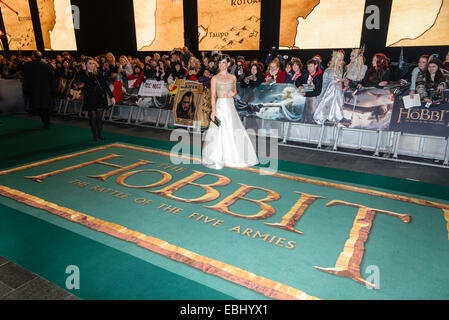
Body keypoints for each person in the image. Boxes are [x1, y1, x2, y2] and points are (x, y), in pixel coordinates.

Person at [202, 55, 259, 170]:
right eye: (220, 63)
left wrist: (232, 94)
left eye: (223, 63)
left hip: (230, 106)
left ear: (228, 64)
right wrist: (213, 111)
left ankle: (234, 156)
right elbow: (212, 96)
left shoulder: (233, 77)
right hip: (220, 107)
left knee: (234, 129)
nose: (221, 65)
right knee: (218, 130)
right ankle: (217, 156)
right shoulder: (215, 78)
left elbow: (235, 91)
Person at [78, 57, 116, 141]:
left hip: (100, 98)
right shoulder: (84, 73)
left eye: (93, 63)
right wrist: (84, 70)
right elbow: (85, 80)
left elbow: (105, 85)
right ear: (86, 65)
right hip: (91, 98)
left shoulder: (98, 73)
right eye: (90, 63)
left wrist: (112, 96)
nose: (92, 65)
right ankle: (94, 135)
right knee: (93, 118)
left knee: (99, 118)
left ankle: (99, 134)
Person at [23, 51, 56, 130]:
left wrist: (26, 89)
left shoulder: (28, 65)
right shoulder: (47, 65)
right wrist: (53, 89)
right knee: (46, 106)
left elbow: (26, 78)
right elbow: (52, 79)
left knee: (40, 107)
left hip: (35, 90)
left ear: (33, 56)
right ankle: (47, 122)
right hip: (46, 89)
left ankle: (46, 122)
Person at [313, 50, 348, 125]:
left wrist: (343, 84)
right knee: (326, 109)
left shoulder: (341, 71)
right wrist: (336, 81)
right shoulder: (328, 71)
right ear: (335, 60)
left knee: (337, 110)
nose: (341, 62)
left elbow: (340, 84)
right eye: (339, 60)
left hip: (338, 94)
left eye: (342, 60)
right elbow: (325, 84)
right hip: (329, 95)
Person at [296, 58, 323, 123]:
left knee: (310, 112)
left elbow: (318, 92)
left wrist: (306, 94)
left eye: (311, 66)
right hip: (304, 93)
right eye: (308, 66)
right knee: (301, 112)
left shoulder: (319, 76)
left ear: (315, 66)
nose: (309, 68)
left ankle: (310, 122)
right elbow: (297, 80)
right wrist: (299, 86)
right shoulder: (305, 73)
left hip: (313, 97)